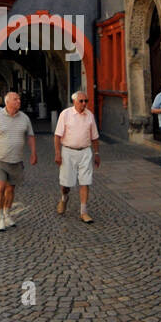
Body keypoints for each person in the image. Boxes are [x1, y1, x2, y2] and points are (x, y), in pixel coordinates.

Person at [0, 91, 36, 231]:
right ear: (7, 102)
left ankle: (7, 213)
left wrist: (33, 153)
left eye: (19, 99)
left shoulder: (24, 118)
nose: (19, 101)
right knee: (0, 188)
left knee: (11, 189)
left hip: (16, 160)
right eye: (15, 99)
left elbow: (30, 136)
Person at [54, 90, 101, 223]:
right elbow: (57, 136)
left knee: (85, 181)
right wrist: (58, 153)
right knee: (66, 183)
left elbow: (95, 137)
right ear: (74, 101)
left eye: (86, 101)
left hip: (85, 151)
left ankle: (83, 211)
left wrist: (96, 153)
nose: (84, 103)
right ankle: (64, 197)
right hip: (68, 152)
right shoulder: (65, 114)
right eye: (81, 101)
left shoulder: (89, 115)